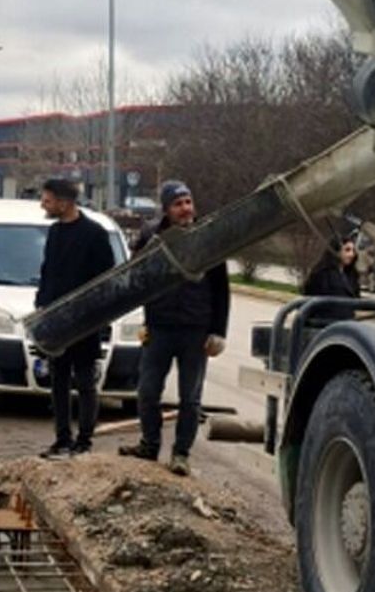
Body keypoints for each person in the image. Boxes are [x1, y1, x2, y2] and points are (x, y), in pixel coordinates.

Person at [119, 180, 230, 476]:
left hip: (196, 330)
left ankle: (181, 454)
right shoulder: (151, 236)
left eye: (188, 202)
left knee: (190, 399)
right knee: (147, 392)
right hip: (160, 328)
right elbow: (135, 277)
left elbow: (221, 289)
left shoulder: (207, 237)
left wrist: (219, 331)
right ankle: (149, 444)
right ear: (167, 209)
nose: (185, 209)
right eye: (178, 204)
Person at [34, 178, 116, 459]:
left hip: (84, 321)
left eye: (47, 200)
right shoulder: (55, 232)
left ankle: (84, 440)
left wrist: (96, 315)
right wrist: (41, 306)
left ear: (64, 202)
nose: (43, 205)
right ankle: (62, 439)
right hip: (56, 321)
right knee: (58, 380)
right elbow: (47, 272)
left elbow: (106, 278)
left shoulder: (95, 234)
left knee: (84, 381)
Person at [302, 236, 360, 321]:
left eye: (353, 251)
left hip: (345, 323)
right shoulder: (322, 273)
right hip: (324, 323)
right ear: (336, 251)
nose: (351, 254)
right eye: (347, 250)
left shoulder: (351, 276)